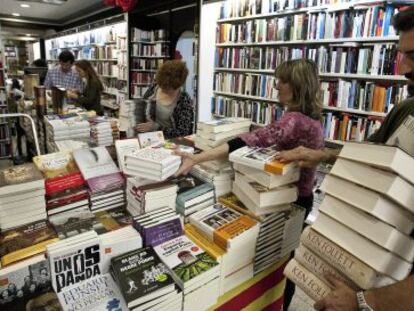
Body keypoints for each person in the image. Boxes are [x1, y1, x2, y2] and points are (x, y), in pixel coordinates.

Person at [275, 7, 414, 311]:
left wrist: (365, 302)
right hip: (374, 251)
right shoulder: (406, 109)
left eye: (413, 56)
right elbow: (371, 156)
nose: (402, 68)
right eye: (401, 54)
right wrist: (322, 155)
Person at [176, 58, 325, 310]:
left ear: (296, 85)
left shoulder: (295, 120)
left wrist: (198, 157)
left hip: (290, 200)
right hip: (298, 195)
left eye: (282, 81)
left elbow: (252, 139)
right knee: (286, 256)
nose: (276, 86)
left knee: (282, 260)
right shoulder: (308, 117)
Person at [135, 60, 194, 139]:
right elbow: (143, 105)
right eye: (161, 86)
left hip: (169, 143)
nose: (163, 89)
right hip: (147, 139)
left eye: (167, 88)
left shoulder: (184, 100)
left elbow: (183, 133)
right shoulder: (154, 87)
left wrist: (156, 127)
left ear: (178, 85)